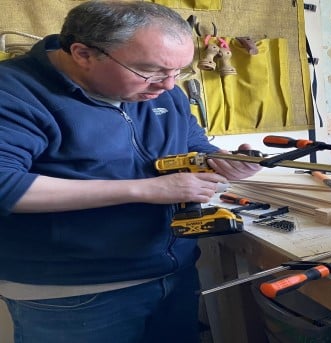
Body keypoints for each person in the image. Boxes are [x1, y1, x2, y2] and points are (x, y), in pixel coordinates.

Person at [0, 1, 262, 342]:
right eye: (151, 71)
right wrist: (148, 189)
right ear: (83, 53)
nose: (168, 86)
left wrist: (222, 160)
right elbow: (7, 185)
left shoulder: (162, 90)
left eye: (179, 72)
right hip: (73, 293)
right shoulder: (15, 92)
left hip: (172, 275)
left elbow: (192, 144)